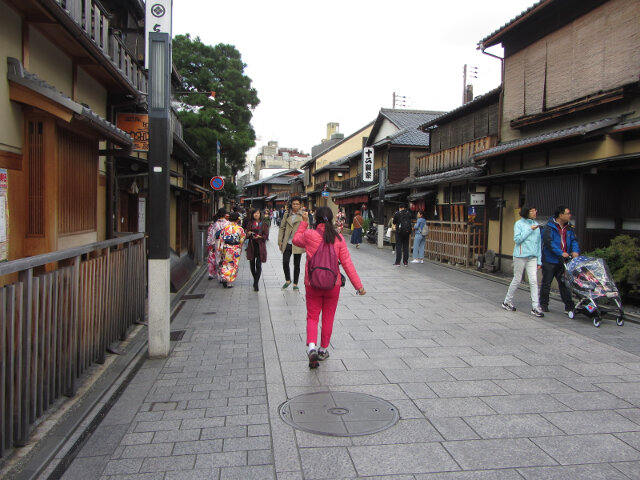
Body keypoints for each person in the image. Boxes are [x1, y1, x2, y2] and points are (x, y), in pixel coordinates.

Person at [293, 206, 366, 368]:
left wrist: (304, 223)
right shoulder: (339, 238)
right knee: (328, 317)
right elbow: (347, 264)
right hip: (333, 285)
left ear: (316, 219)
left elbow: (295, 239)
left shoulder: (309, 235)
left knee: (312, 316)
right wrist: (359, 286)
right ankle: (323, 349)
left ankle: (311, 346)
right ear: (332, 219)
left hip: (313, 283)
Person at [501, 206, 544, 317]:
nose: (535, 212)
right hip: (520, 256)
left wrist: (539, 260)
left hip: (533, 257)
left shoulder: (537, 225)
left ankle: (535, 307)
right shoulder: (519, 224)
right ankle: (507, 301)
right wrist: (530, 229)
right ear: (527, 212)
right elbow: (517, 239)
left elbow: (538, 244)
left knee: (534, 281)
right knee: (517, 278)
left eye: (535, 210)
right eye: (532, 211)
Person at [539, 205, 580, 313]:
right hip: (550, 260)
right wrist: (561, 253)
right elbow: (549, 242)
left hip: (563, 261)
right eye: (567, 213)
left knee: (564, 284)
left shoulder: (570, 227)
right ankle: (543, 304)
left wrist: (575, 251)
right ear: (560, 215)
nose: (570, 215)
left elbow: (574, 240)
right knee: (546, 283)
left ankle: (569, 306)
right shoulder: (549, 226)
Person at [278, 196, 304, 290]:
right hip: (287, 242)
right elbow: (282, 228)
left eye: (297, 204)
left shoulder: (303, 215)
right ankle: (288, 280)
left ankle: (295, 284)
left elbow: (307, 228)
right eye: (294, 204)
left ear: (300, 205)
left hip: (298, 242)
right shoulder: (287, 214)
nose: (295, 206)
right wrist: (280, 241)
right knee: (285, 261)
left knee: (297, 264)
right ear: (291, 204)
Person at [218, 212, 246, 288]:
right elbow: (242, 239)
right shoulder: (240, 229)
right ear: (237, 220)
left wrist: (221, 247)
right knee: (234, 264)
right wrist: (239, 245)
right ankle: (229, 281)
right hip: (235, 248)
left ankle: (224, 276)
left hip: (226, 247)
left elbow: (221, 238)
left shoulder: (225, 228)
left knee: (226, 263)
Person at [246, 209, 269, 291]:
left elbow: (266, 236)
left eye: (258, 213)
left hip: (260, 246)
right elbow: (246, 234)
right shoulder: (250, 223)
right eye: (255, 213)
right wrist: (248, 234)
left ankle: (256, 283)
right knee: (252, 265)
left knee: (258, 265)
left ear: (260, 214)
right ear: (252, 214)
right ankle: (255, 279)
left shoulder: (264, 224)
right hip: (252, 245)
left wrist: (260, 237)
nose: (256, 214)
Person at [207, 208, 229, 282]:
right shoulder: (228, 223)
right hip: (226, 243)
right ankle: (225, 275)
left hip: (218, 243)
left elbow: (212, 235)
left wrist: (211, 243)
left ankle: (220, 276)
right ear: (225, 214)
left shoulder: (216, 224)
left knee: (218, 259)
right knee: (225, 259)